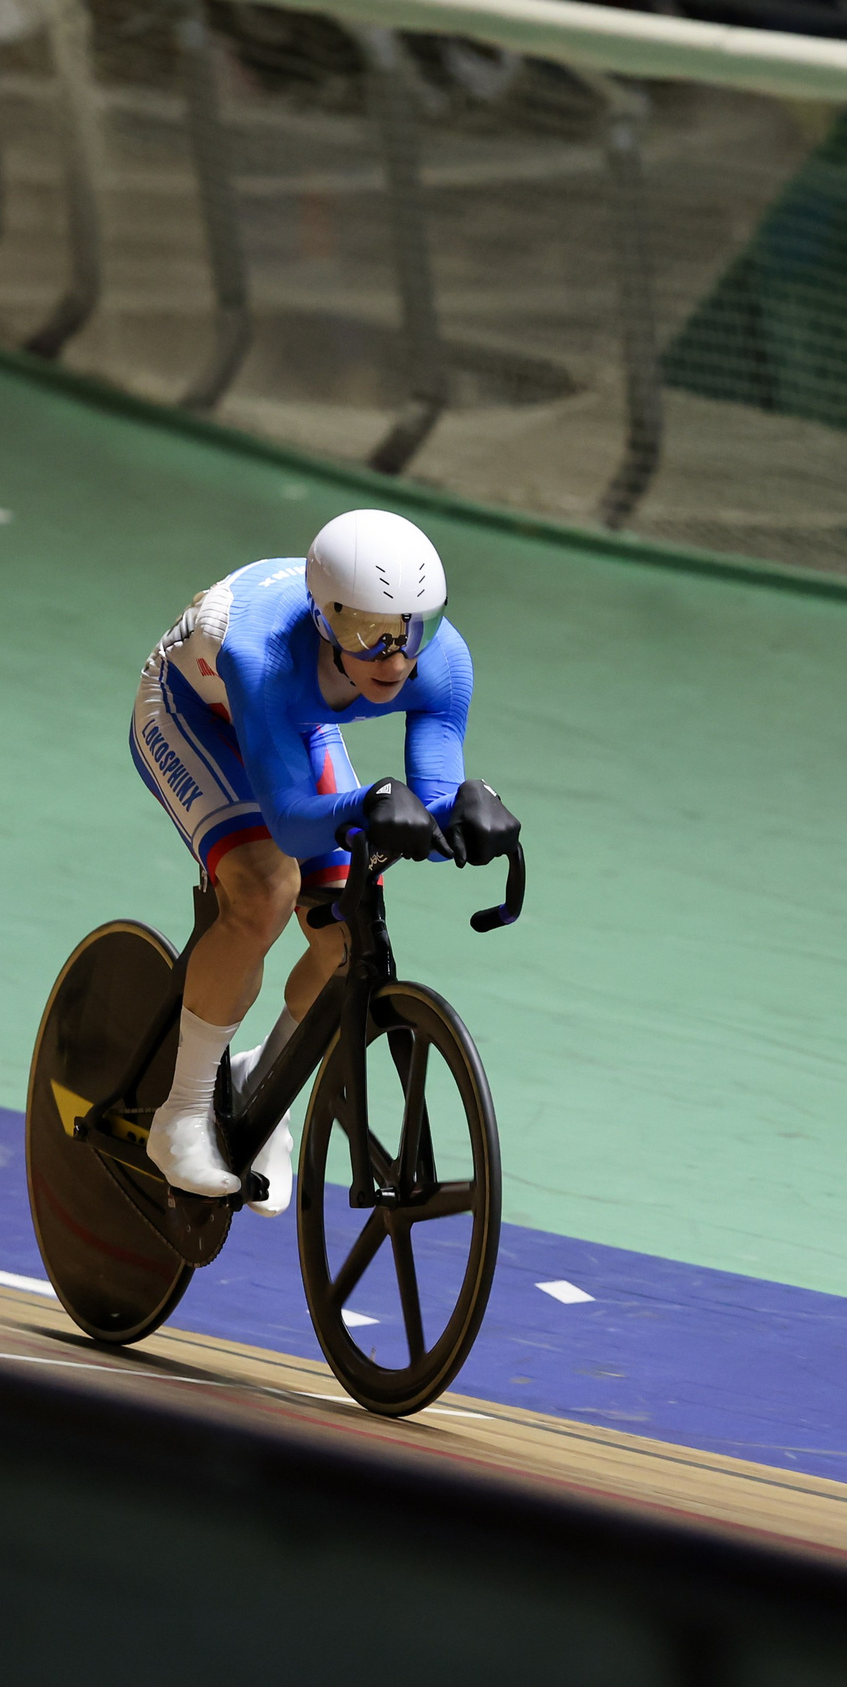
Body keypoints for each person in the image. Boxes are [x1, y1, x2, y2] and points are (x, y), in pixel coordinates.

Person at [129, 509, 521, 1212]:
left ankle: (263, 1079)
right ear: (321, 617)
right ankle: (181, 1112)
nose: (395, 659)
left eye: (409, 629)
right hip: (193, 709)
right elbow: (288, 821)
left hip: (297, 721)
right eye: (368, 635)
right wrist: (365, 805)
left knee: (346, 932)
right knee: (264, 888)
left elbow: (425, 800)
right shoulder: (265, 656)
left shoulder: (442, 662)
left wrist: (463, 815)